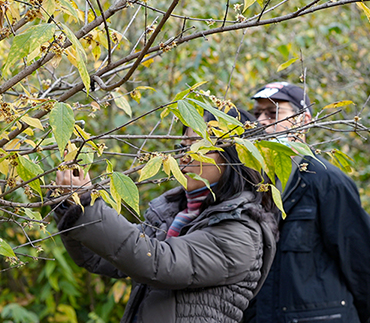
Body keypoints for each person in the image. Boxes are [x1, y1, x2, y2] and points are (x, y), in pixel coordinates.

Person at [54, 108, 277, 323]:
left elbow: (158, 263)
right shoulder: (175, 215)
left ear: (235, 157)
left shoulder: (241, 231)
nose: (184, 158)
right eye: (182, 148)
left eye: (199, 148)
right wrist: (70, 205)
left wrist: (86, 202)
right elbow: (96, 257)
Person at [243, 82, 370, 323]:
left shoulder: (328, 182)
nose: (261, 121)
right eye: (257, 114)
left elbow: (363, 269)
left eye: (273, 113)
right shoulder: (253, 181)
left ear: (304, 119)